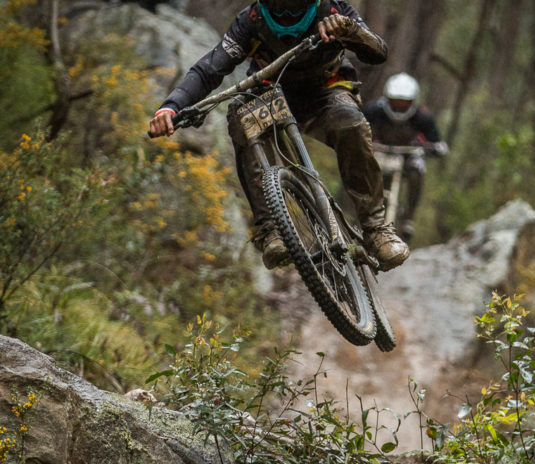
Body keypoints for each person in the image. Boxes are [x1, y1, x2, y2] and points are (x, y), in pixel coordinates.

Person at [149, 0, 410, 271]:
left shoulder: (334, 10)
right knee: (242, 118)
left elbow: (378, 53)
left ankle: (376, 229)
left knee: (351, 124)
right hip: (269, 94)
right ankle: (270, 228)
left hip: (326, 92)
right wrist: (171, 107)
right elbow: (209, 69)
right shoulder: (251, 21)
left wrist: (352, 31)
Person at [363, 72, 448, 242]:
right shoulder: (374, 110)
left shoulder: (423, 117)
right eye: (395, 101)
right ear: (387, 98)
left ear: (413, 101)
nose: (399, 105)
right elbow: (356, 125)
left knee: (417, 170)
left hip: (409, 155)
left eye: (404, 102)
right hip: (380, 151)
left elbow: (436, 142)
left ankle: (409, 216)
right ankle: (360, 206)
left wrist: (435, 148)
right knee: (361, 167)